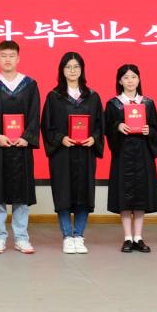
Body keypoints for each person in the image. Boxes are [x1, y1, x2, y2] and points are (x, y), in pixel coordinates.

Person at [0, 40, 40, 255]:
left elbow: (35, 115)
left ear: (18, 58)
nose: (7, 59)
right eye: (3, 55)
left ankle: (22, 238)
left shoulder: (29, 85)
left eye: (12, 55)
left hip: (22, 147)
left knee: (21, 194)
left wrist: (27, 137)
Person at [41, 52, 104, 255]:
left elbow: (99, 125)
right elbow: (47, 125)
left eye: (76, 66)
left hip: (85, 153)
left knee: (84, 194)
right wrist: (60, 138)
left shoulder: (92, 96)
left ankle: (79, 235)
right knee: (63, 193)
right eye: (68, 67)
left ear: (82, 69)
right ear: (62, 70)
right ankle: (67, 236)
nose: (72, 70)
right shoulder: (54, 97)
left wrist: (94, 138)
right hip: (62, 154)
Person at [105, 63, 157, 253]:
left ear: (139, 79)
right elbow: (106, 128)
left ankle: (138, 237)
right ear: (120, 81)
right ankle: (127, 237)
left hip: (143, 155)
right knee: (124, 195)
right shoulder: (113, 104)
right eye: (126, 77)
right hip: (123, 155)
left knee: (140, 195)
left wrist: (149, 130)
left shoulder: (148, 103)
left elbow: (156, 129)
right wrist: (117, 126)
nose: (130, 81)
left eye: (134, 77)